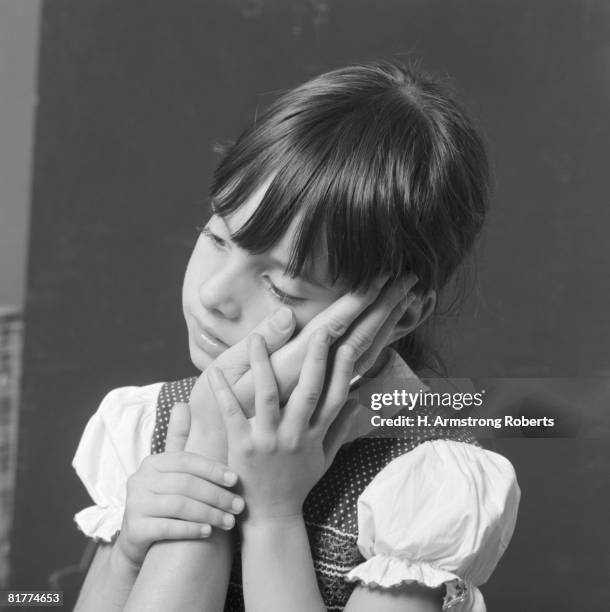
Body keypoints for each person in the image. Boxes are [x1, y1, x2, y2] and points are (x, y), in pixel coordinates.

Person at [71, 60, 520, 611]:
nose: (213, 294)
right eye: (216, 238)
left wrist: (274, 518)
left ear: (397, 314)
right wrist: (133, 553)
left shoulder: (423, 485)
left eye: (282, 289)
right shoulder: (147, 426)